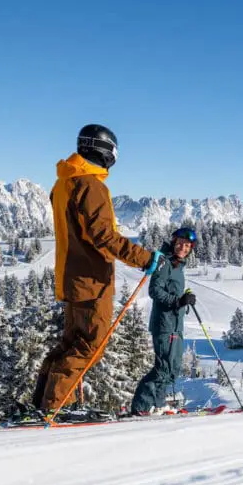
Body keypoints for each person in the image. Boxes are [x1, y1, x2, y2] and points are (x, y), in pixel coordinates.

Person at [32, 124, 163, 413]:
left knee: (70, 345)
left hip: (72, 278)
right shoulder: (90, 185)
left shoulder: (64, 182)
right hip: (92, 281)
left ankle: (41, 403)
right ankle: (52, 409)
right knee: (89, 347)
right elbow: (103, 236)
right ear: (103, 149)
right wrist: (143, 257)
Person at [131, 226, 198, 414]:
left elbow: (171, 291)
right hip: (164, 324)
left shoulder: (178, 265)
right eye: (180, 244)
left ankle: (157, 403)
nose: (183, 248)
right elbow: (155, 290)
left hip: (176, 325)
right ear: (174, 242)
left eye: (187, 246)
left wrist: (185, 297)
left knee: (173, 369)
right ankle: (142, 406)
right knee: (163, 368)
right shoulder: (165, 262)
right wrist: (177, 301)